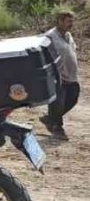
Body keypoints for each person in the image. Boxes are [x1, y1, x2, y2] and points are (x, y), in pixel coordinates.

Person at [40, 10, 79, 140]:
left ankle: (50, 118)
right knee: (58, 102)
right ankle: (57, 128)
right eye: (69, 21)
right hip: (57, 77)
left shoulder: (68, 35)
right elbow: (43, 56)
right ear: (60, 21)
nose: (71, 24)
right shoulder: (49, 36)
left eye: (72, 21)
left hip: (71, 76)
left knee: (73, 98)